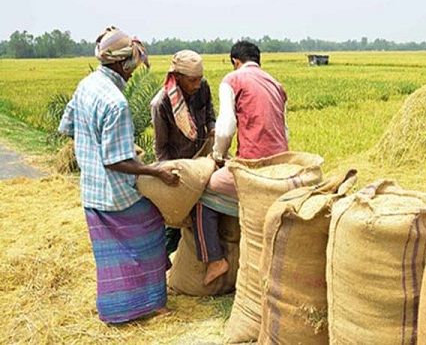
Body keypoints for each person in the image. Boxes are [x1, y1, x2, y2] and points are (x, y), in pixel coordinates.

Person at [58, 26, 179, 324]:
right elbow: (115, 162)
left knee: (111, 254)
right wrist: (155, 170)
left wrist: (99, 142)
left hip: (92, 189)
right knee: (152, 227)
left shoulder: (86, 84)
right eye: (131, 65)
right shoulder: (116, 102)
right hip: (116, 193)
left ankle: (118, 308)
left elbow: (68, 126)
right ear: (120, 63)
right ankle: (151, 303)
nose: (132, 72)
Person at [197, 40, 289, 285]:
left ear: (235, 62)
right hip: (281, 166)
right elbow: (285, 132)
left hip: (253, 168)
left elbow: (226, 127)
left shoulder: (233, 80)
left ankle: (215, 260)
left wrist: (217, 156)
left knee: (202, 193)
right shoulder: (276, 85)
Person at [150, 50, 216, 256]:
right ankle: (165, 262)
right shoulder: (161, 104)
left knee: (205, 211)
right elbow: (161, 147)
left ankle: (198, 255)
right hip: (179, 165)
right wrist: (170, 175)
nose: (197, 85)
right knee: (176, 220)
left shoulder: (202, 88)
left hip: (203, 159)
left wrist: (214, 129)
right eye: (192, 81)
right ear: (177, 78)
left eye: (199, 80)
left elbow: (210, 114)